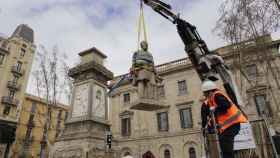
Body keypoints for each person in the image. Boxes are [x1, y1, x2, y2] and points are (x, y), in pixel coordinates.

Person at [200, 80, 248, 158]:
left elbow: (226, 105)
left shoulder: (217, 95)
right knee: (224, 146)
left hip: (232, 124)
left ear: (210, 91)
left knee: (226, 147)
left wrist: (215, 109)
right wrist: (209, 126)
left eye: (205, 93)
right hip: (228, 126)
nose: (205, 96)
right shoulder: (212, 99)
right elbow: (213, 117)